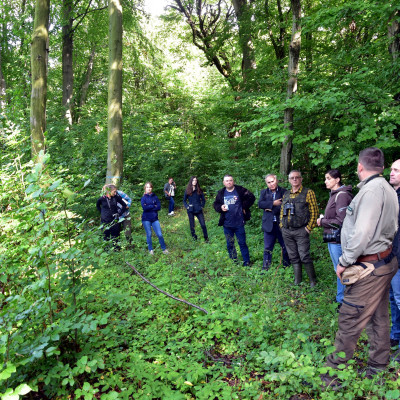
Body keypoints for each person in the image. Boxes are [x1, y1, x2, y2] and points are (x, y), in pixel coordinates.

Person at [321, 148, 398, 386]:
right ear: (382, 167)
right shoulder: (387, 188)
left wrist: (344, 262)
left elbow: (363, 232)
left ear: (360, 166)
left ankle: (332, 376)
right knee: (378, 316)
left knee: (349, 317)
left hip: (369, 265)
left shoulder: (373, 191)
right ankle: (378, 366)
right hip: (383, 261)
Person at [317, 170, 353, 305]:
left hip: (338, 240)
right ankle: (341, 298)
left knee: (342, 270)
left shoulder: (342, 195)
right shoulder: (334, 194)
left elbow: (341, 220)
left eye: (328, 178)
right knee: (338, 269)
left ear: (337, 180)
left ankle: (344, 301)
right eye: (325, 178)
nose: (326, 181)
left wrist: (322, 221)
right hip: (332, 238)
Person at [280, 170, 318, 287]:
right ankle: (298, 281)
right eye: (292, 178)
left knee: (304, 255)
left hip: (301, 230)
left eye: (297, 177)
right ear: (289, 180)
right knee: (293, 256)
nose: (295, 179)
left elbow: (314, 212)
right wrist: (281, 226)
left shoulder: (308, 193)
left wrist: (308, 228)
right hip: (287, 230)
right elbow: (282, 211)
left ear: (301, 179)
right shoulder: (286, 194)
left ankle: (313, 281)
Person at [213, 175, 255, 266]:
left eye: (230, 180)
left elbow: (251, 197)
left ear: (233, 181)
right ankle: (234, 261)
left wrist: (243, 206)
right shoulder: (221, 192)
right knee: (230, 244)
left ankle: (246, 261)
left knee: (242, 243)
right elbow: (215, 204)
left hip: (239, 223)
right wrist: (220, 207)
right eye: (227, 181)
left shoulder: (240, 190)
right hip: (227, 224)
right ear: (224, 183)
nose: (229, 182)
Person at [258, 174, 290, 271]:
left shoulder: (284, 192)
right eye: (269, 182)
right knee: (267, 247)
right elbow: (260, 204)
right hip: (269, 225)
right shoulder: (264, 192)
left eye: (272, 181)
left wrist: (269, 208)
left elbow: (285, 206)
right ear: (266, 183)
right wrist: (273, 203)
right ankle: (265, 268)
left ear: (276, 181)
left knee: (285, 246)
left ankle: (286, 267)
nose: (271, 184)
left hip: (281, 224)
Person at [389, 159, 400, 351]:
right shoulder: (393, 194)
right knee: (392, 298)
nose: (391, 173)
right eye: (391, 169)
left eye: (396, 170)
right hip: (390, 257)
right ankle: (395, 335)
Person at [141, 182, 168, 255]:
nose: (148, 188)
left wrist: (149, 206)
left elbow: (158, 207)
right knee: (149, 234)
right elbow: (144, 208)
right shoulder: (143, 198)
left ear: (152, 188)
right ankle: (151, 250)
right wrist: (153, 206)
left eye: (150, 187)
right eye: (147, 187)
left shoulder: (155, 197)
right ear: (145, 189)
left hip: (154, 218)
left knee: (159, 234)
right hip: (146, 218)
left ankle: (164, 249)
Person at [183, 176, 209, 241]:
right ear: (191, 181)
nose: (194, 181)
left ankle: (206, 238)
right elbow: (184, 200)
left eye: (196, 180)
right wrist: (187, 207)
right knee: (192, 225)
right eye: (193, 180)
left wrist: (202, 206)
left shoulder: (199, 190)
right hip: (191, 210)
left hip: (198, 210)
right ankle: (194, 238)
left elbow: (203, 200)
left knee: (203, 224)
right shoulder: (187, 190)